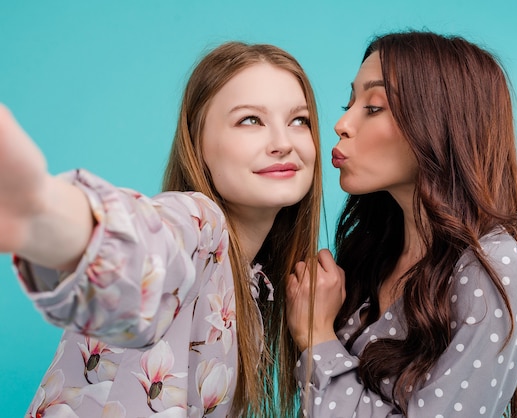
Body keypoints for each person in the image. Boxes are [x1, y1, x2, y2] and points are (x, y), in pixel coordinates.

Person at [0, 41, 322, 417]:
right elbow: (147, 247)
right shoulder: (200, 224)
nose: (283, 143)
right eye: (250, 120)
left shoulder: (253, 287)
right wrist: (43, 212)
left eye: (299, 120)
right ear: (198, 142)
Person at [286, 31, 517, 417]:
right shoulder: (375, 251)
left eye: (373, 107)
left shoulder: (490, 269)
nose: (341, 123)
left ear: (441, 124)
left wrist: (319, 340)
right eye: (350, 102)